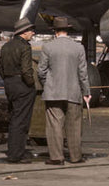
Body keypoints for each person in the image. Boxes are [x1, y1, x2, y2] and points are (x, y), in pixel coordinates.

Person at [37, 19, 90, 164]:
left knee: (55, 126)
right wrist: (86, 91)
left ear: (54, 31)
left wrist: (47, 84)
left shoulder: (48, 47)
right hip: (74, 92)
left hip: (53, 92)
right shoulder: (78, 48)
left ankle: (56, 157)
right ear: (68, 30)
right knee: (74, 126)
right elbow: (83, 72)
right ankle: (76, 156)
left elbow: (41, 71)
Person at [0, 19, 38, 164]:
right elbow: (27, 70)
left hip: (9, 84)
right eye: (31, 30)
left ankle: (15, 150)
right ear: (24, 32)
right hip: (22, 85)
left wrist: (8, 80)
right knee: (21, 120)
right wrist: (31, 84)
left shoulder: (6, 46)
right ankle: (16, 154)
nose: (33, 33)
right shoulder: (25, 47)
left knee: (14, 117)